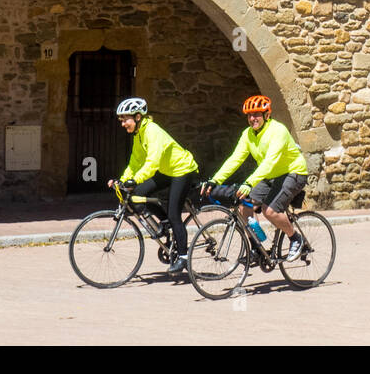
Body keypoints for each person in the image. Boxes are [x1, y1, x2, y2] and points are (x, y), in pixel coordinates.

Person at [203, 94, 309, 261]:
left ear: (267, 115)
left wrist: (249, 183)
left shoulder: (278, 130)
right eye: (250, 115)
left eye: (257, 114)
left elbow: (269, 162)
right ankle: (257, 247)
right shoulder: (248, 134)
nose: (253, 118)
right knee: (244, 205)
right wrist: (216, 179)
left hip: (293, 172)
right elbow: (235, 158)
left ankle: (296, 238)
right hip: (270, 175)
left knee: (270, 211)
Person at [107, 97, 198, 275]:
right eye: (121, 120)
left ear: (138, 117)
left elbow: (152, 162)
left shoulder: (152, 131)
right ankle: (165, 223)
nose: (123, 124)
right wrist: (123, 180)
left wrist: (137, 179)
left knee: (174, 214)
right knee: (136, 196)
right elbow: (135, 162)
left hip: (183, 170)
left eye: (125, 119)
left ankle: (183, 258)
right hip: (167, 171)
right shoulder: (139, 135)